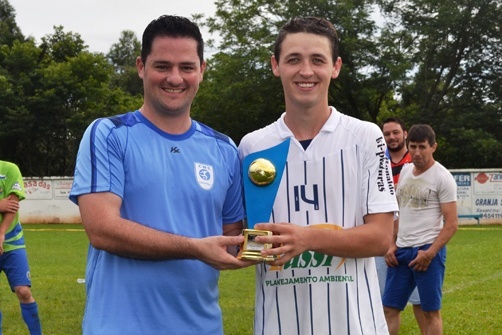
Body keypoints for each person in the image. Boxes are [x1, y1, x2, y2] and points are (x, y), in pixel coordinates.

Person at [69, 15, 251, 335]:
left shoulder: (224, 149)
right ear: (141, 67)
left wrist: (268, 241)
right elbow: (102, 230)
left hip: (202, 328)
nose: (175, 78)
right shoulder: (109, 134)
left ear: (202, 70)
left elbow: (231, 236)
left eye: (186, 67)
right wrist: (194, 247)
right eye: (162, 66)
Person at [238, 17, 398, 334]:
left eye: (318, 60)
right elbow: (247, 240)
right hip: (278, 324)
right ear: (275, 65)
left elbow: (381, 237)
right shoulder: (252, 147)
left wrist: (307, 238)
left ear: (335, 67)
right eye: (294, 59)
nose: (306, 71)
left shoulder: (366, 137)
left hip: (356, 325)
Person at [382, 124, 458, 335]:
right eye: (412, 146)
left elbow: (452, 224)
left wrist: (430, 253)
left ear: (433, 147)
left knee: (430, 312)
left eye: (422, 147)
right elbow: (398, 212)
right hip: (400, 251)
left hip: (426, 251)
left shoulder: (443, 177)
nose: (416, 152)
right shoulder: (406, 170)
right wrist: (391, 243)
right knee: (389, 309)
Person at [377, 117, 427, 334]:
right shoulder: (377, 162)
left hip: (415, 239)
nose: (391, 137)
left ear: (405, 133)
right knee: (384, 302)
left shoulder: (418, 161)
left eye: (395, 132)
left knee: (421, 302)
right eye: (387, 134)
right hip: (383, 239)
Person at [0, 160, 42, 335]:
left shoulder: (9, 169)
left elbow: (13, 205)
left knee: (23, 291)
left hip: (12, 243)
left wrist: (1, 233)